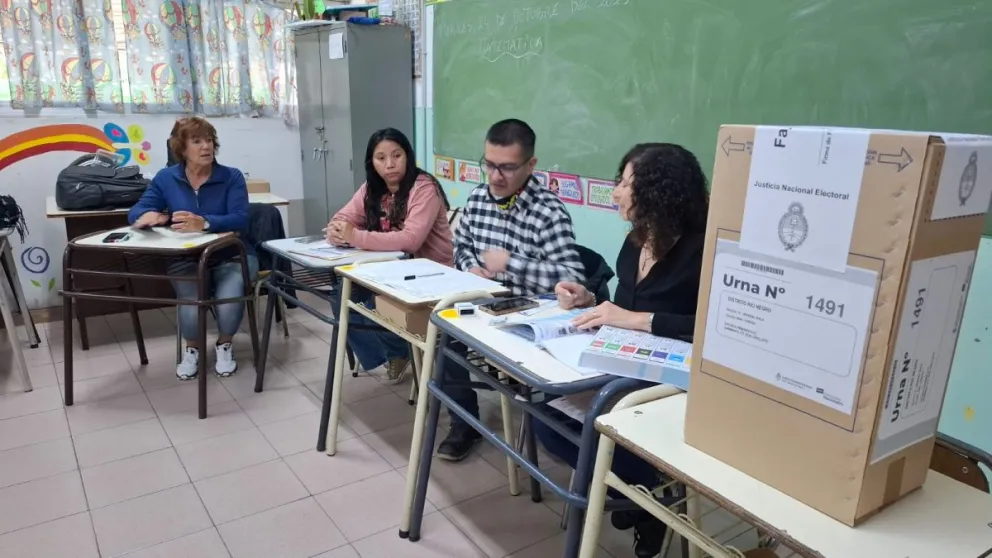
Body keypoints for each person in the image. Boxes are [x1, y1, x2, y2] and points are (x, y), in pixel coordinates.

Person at [537, 143, 709, 557]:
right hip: (620, 365)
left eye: (625, 184)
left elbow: (708, 330)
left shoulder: (705, 248)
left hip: (671, 381)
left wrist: (636, 319)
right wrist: (589, 302)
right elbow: (621, 306)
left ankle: (648, 496)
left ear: (659, 193)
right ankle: (643, 494)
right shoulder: (636, 242)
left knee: (596, 436)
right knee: (545, 419)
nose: (615, 193)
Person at [438, 118, 585, 461]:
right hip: (482, 306)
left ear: (531, 165)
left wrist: (511, 263)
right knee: (443, 335)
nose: (494, 176)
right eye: (488, 164)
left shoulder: (548, 213)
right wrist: (471, 266)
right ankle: (464, 424)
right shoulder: (478, 199)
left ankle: (552, 432)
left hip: (528, 314)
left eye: (506, 168)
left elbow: (572, 275)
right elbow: (462, 246)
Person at [129, 116, 258, 380]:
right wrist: (157, 216)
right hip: (186, 257)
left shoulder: (231, 176)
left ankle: (225, 344)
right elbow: (137, 211)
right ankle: (192, 350)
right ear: (181, 148)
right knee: (189, 302)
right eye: (197, 141)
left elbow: (240, 217)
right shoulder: (166, 178)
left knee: (229, 299)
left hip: (230, 253)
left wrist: (205, 223)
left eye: (209, 140)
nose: (206, 147)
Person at [327, 128, 453, 384]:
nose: (390, 164)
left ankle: (399, 349)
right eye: (381, 158)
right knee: (342, 294)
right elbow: (343, 218)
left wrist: (355, 237)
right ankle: (396, 352)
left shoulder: (424, 188)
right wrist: (336, 231)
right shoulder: (371, 189)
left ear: (408, 156)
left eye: (397, 155)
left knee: (373, 301)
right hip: (390, 271)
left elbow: (410, 240)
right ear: (372, 163)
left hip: (431, 274)